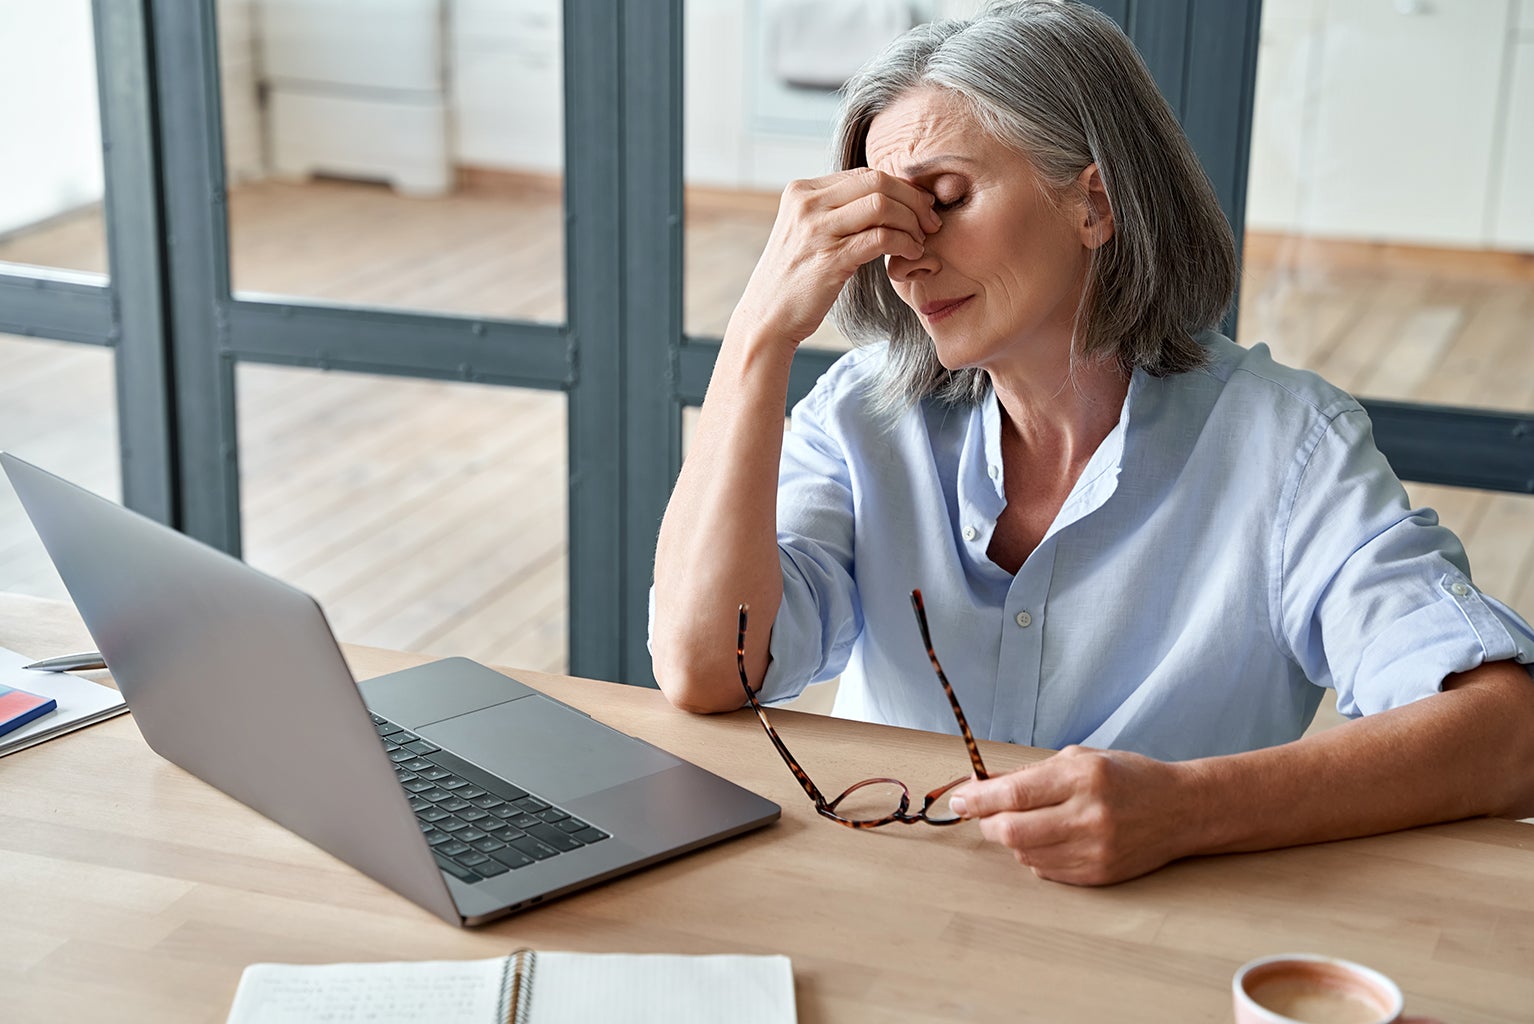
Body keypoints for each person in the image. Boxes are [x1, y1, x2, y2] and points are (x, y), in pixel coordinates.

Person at [648, 0, 1534, 885]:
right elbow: (706, 670)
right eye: (887, 219)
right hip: (902, 918)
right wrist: (759, 333)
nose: (905, 256)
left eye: (946, 200)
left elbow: (1509, 732)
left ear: (1095, 203)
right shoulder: (862, 417)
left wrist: (1189, 809)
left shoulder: (1287, 449)